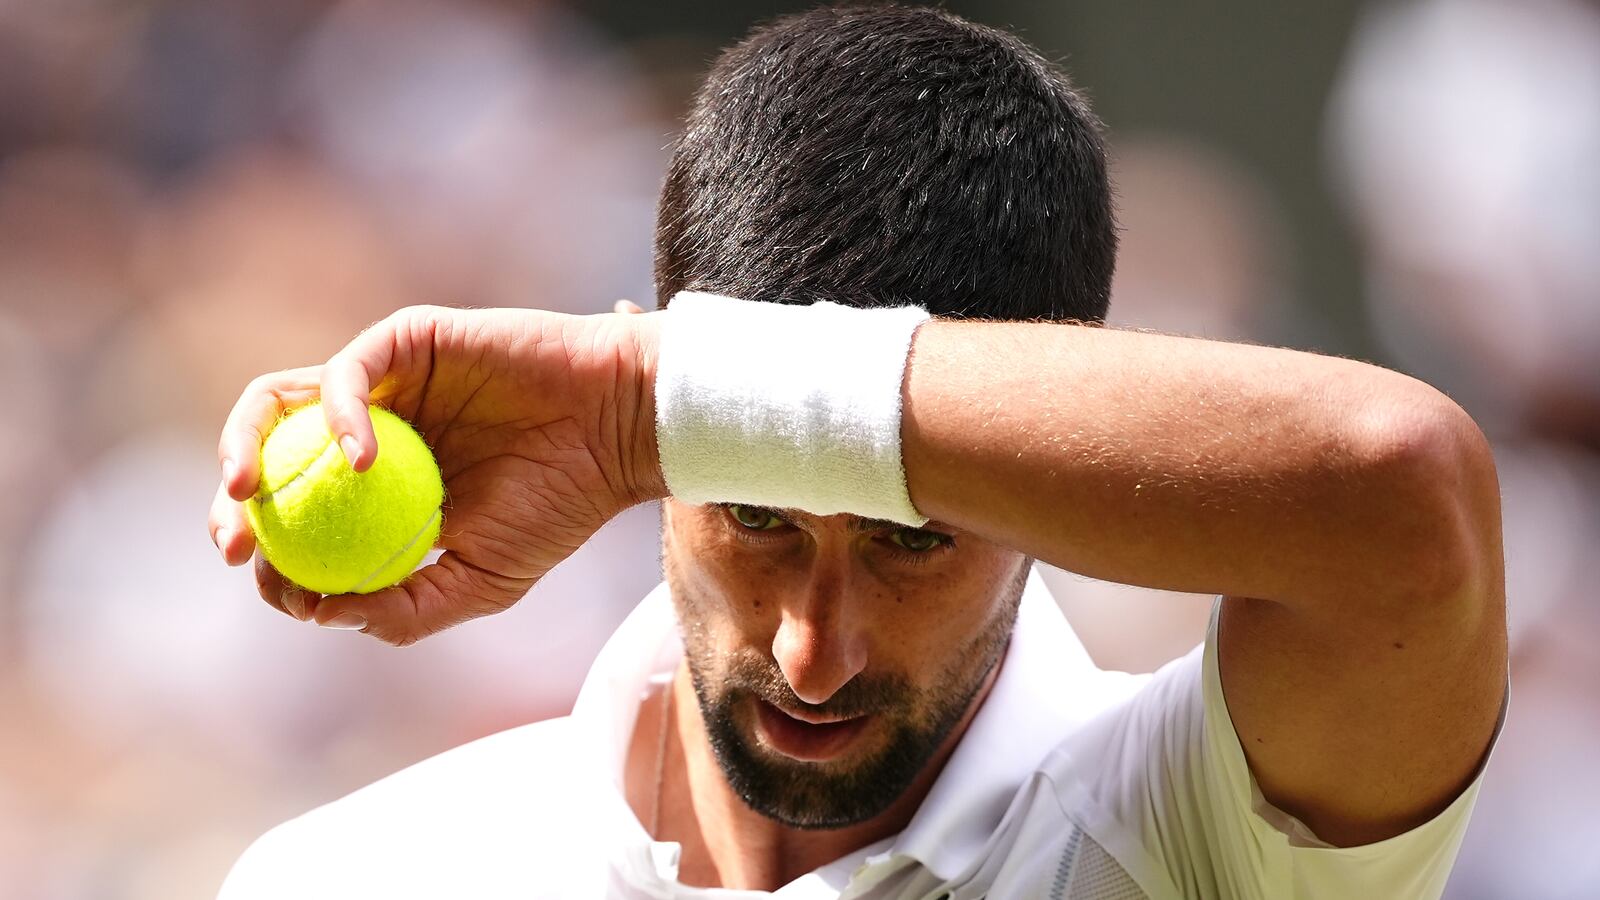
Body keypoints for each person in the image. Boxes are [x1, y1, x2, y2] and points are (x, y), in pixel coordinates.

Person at [210, 6, 1506, 898]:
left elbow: (1404, 489)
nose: (810, 652)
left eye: (912, 542)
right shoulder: (349, 875)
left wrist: (655, 399)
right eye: (757, 520)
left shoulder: (1200, 840)